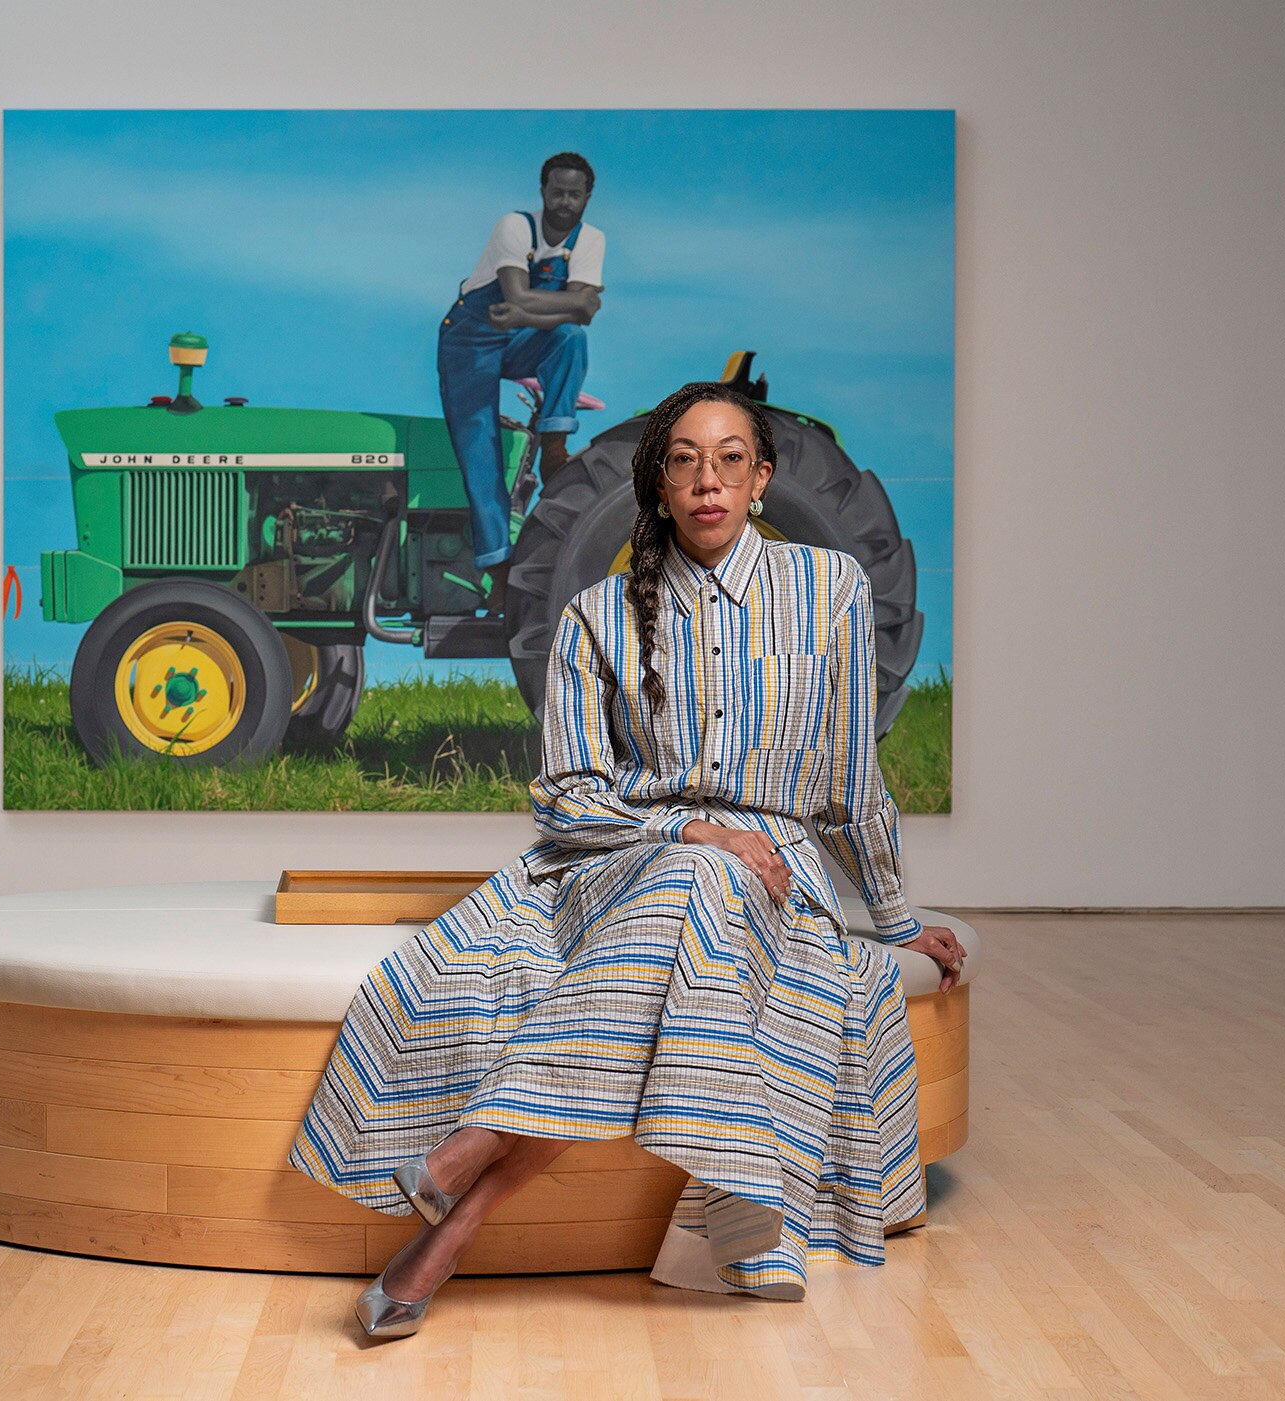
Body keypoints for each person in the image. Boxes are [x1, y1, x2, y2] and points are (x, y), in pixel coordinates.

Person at [288, 379, 968, 1338]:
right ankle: (453, 1214)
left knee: (709, 896)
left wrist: (896, 919)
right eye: (684, 460)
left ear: (762, 478)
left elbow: (852, 777)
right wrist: (693, 831)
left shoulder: (832, 591)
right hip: (622, 858)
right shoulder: (597, 615)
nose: (708, 480)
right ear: (655, 485)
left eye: (731, 459)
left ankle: (455, 1200)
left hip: (774, 869)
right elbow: (567, 795)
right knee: (701, 878)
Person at [436, 152, 606, 618]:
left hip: (517, 336)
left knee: (571, 338)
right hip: (470, 338)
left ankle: (554, 445)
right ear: (542, 192)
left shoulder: (591, 240)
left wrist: (529, 315)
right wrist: (563, 305)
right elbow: (517, 295)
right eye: (557, 192)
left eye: (575, 194)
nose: (565, 202)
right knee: (481, 452)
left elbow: (580, 314)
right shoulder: (515, 227)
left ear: (588, 196)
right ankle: (498, 575)